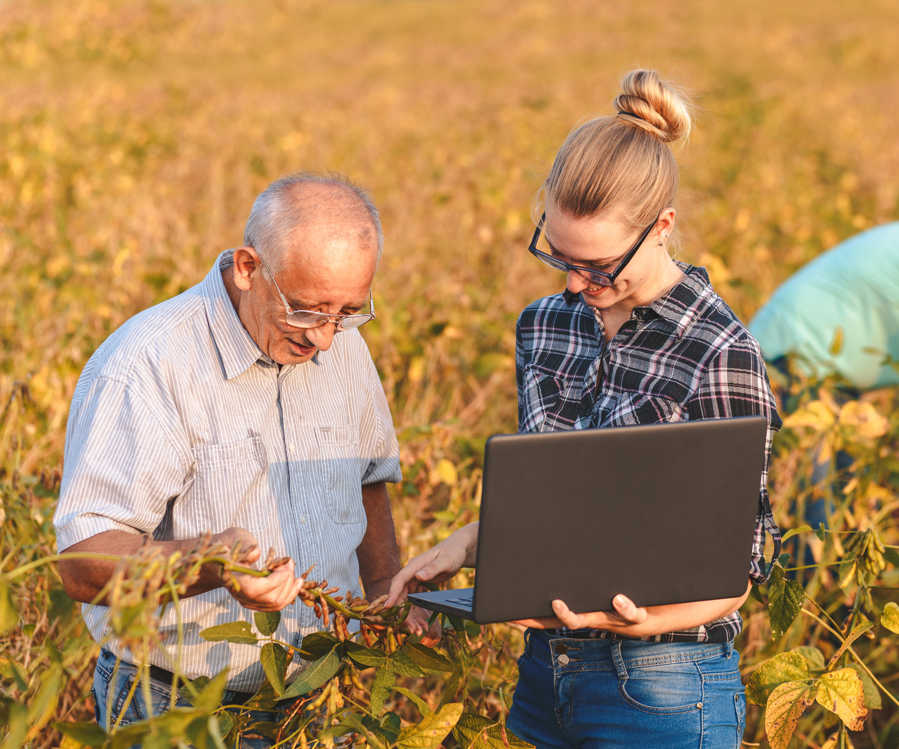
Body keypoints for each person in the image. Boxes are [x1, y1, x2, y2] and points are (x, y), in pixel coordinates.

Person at [387, 70, 782, 748]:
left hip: (662, 684)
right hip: (544, 676)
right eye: (559, 257)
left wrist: (642, 621)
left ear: (661, 228)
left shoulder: (719, 349)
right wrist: (459, 548)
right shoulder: (545, 324)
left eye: (598, 267)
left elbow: (741, 565)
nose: (576, 284)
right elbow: (558, 499)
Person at [54, 174, 406, 740]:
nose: (325, 340)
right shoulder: (146, 363)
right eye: (307, 309)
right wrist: (210, 562)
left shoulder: (344, 345)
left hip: (320, 699)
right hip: (175, 704)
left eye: (348, 312)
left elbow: (367, 483)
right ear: (247, 267)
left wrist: (390, 596)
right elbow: (81, 563)